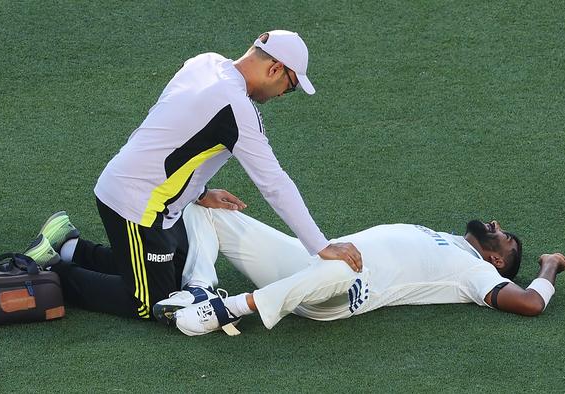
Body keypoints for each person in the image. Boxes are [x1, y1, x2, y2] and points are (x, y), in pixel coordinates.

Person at [23, 30, 362, 320]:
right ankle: (50, 273)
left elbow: (175, 131)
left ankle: (66, 244)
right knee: (152, 301)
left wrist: (200, 192)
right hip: (138, 205)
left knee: (174, 271)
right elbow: (274, 184)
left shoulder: (205, 62)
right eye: (288, 88)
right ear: (275, 69)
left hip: (135, 190)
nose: (281, 96)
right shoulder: (238, 108)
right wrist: (321, 246)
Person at [153, 205, 565, 336]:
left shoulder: (478, 274)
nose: (497, 226)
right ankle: (199, 290)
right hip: (309, 263)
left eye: (506, 238)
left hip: (343, 292)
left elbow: (531, 303)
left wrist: (549, 265)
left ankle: (232, 310)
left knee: (345, 269)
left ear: (498, 261)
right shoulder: (445, 238)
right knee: (205, 208)